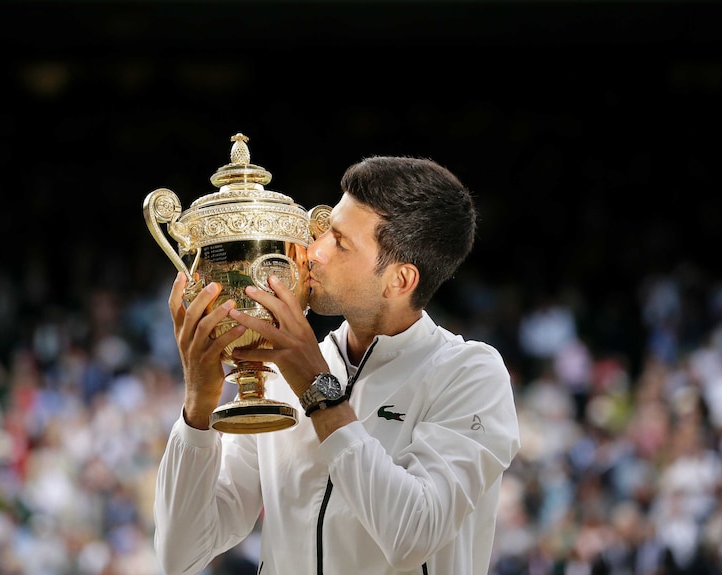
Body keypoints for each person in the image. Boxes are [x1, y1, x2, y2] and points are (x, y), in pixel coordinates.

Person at [153, 155, 521, 575]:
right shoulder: (278, 372)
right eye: (324, 230)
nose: (314, 252)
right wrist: (198, 409)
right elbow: (179, 557)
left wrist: (316, 388)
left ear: (400, 280)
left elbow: (413, 534)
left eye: (341, 242)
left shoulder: (470, 374)